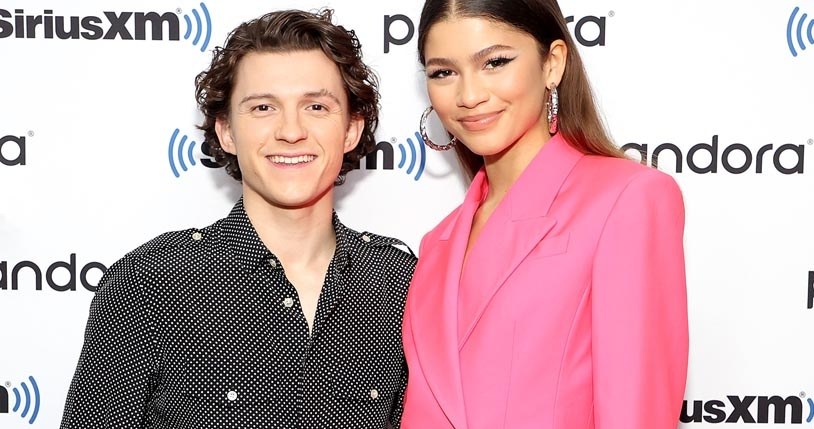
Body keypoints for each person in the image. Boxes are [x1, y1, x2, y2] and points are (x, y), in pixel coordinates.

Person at [60, 9, 415, 429]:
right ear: (226, 131)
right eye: (263, 107)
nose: (291, 131)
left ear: (352, 130)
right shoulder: (150, 282)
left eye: (316, 106)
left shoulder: (401, 284)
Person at [400, 0, 689, 428]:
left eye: (495, 62)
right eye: (443, 72)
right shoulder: (437, 243)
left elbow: (636, 412)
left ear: (552, 63)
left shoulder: (626, 199)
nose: (469, 95)